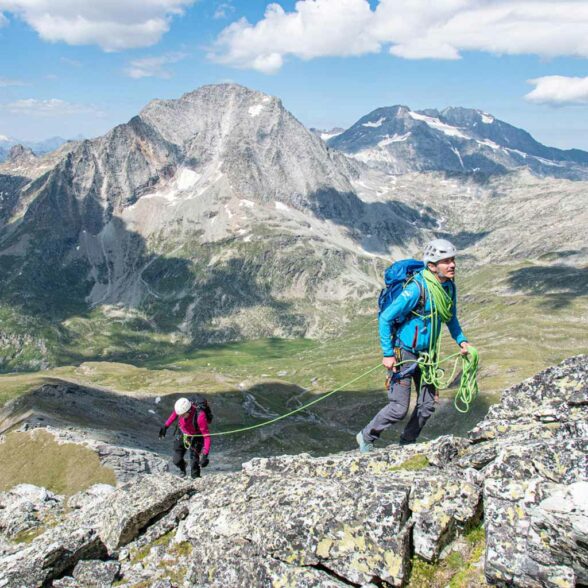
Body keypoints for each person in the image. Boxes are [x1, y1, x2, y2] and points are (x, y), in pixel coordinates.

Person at [357, 238, 472, 452]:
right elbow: (385, 318)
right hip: (405, 352)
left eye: (453, 260)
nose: (452, 265)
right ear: (432, 265)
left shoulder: (449, 288)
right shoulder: (417, 289)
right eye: (446, 261)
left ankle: (407, 444)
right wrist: (388, 354)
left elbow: (450, 317)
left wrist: (462, 341)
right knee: (399, 407)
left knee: (427, 406)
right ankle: (366, 436)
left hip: (428, 355)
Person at [159, 397, 211, 478]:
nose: (181, 416)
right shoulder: (181, 410)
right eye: (180, 415)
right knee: (177, 460)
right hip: (183, 433)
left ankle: (195, 479)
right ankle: (183, 467)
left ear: (189, 410)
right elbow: (174, 415)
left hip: (197, 436)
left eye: (183, 415)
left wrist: (205, 454)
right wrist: (165, 426)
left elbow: (206, 437)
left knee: (194, 462)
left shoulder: (200, 416)